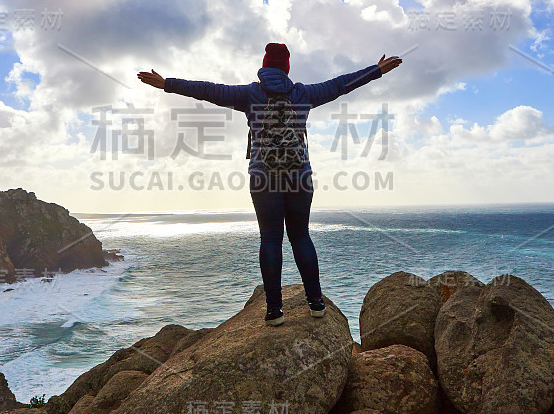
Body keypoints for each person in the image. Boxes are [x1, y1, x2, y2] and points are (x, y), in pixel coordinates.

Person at [138, 43, 402, 326]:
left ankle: (274, 311)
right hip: (299, 176)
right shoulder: (304, 93)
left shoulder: (250, 94)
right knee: (301, 236)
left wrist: (167, 84)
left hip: (263, 178)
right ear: (287, 68)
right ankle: (315, 303)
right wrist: (376, 71)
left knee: (271, 239)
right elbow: (340, 85)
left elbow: (207, 90)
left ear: (265, 66)